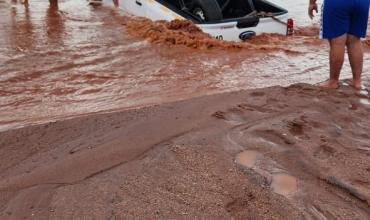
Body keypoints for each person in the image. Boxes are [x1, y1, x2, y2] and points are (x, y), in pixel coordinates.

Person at [308, 0, 369, 89]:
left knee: (337, 42)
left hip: (338, 3)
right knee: (355, 40)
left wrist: (312, 3)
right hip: (362, 2)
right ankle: (357, 82)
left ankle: (333, 82)